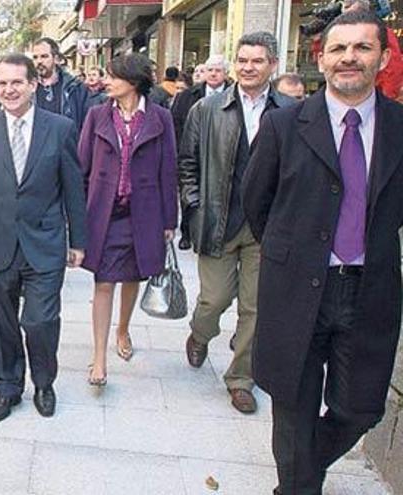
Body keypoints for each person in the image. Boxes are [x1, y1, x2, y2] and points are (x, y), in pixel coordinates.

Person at [243, 12, 401, 494]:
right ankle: (298, 487)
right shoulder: (284, 125)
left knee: (361, 408)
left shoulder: (399, 127)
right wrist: (294, 252)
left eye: (361, 48)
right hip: (296, 291)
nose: (349, 57)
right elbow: (257, 202)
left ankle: (300, 477)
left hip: (368, 290)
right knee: (292, 405)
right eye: (338, 49)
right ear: (321, 59)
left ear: (384, 57)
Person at [0, 53, 87, 423]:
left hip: (44, 244)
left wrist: (78, 240)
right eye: (4, 82)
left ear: (33, 85)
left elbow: (74, 189)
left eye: (17, 82)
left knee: (39, 321)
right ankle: (8, 388)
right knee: (2, 323)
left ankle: (44, 382)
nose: (9, 90)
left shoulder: (59, 128)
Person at [178, 32, 295, 415]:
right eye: (242, 60)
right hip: (218, 220)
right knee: (214, 300)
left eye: (257, 61)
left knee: (256, 307)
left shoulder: (291, 111)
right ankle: (200, 334)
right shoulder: (208, 109)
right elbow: (188, 164)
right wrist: (194, 206)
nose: (247, 67)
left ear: (272, 66)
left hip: (267, 227)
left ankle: (241, 379)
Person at [77, 53, 177, 382]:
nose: (107, 81)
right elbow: (82, 168)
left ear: (132, 82)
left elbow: (168, 171)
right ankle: (98, 358)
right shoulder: (96, 116)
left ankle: (123, 329)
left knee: (133, 277)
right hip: (104, 213)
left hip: (144, 212)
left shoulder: (161, 118)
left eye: (114, 76)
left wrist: (169, 221)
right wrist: (76, 218)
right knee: (103, 281)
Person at [171, 54, 231, 251]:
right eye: (210, 70)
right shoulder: (187, 96)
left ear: (226, 73)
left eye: (218, 70)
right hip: (192, 151)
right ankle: (187, 232)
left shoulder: (234, 95)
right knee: (189, 191)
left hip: (220, 153)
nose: (213, 74)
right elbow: (176, 124)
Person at [341, 0, 403, 100]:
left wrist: (386, 98)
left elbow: (393, 68)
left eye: (347, 6)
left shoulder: (381, 32)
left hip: (376, 96)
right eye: (344, 7)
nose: (343, 11)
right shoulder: (343, 34)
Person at [31, 37, 91, 131]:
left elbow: (86, 124)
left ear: (56, 59)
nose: (39, 61)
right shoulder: (28, 89)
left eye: (44, 56)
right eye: (35, 57)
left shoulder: (75, 88)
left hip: (66, 143)